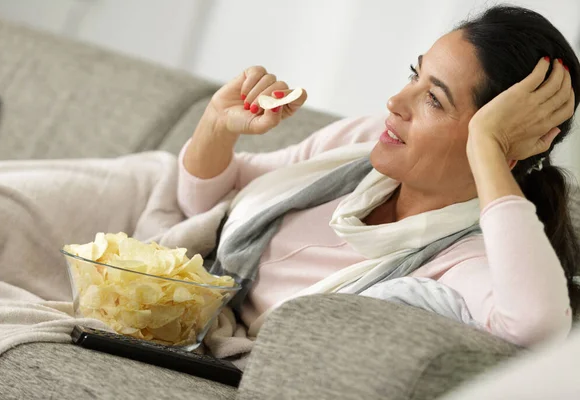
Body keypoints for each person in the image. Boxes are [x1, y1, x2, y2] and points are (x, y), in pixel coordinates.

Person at [179, 4, 579, 347]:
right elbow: (204, 203)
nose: (395, 102)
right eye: (414, 75)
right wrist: (217, 123)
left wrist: (489, 147)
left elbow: (537, 327)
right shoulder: (361, 142)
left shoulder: (461, 261)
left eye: (434, 100)